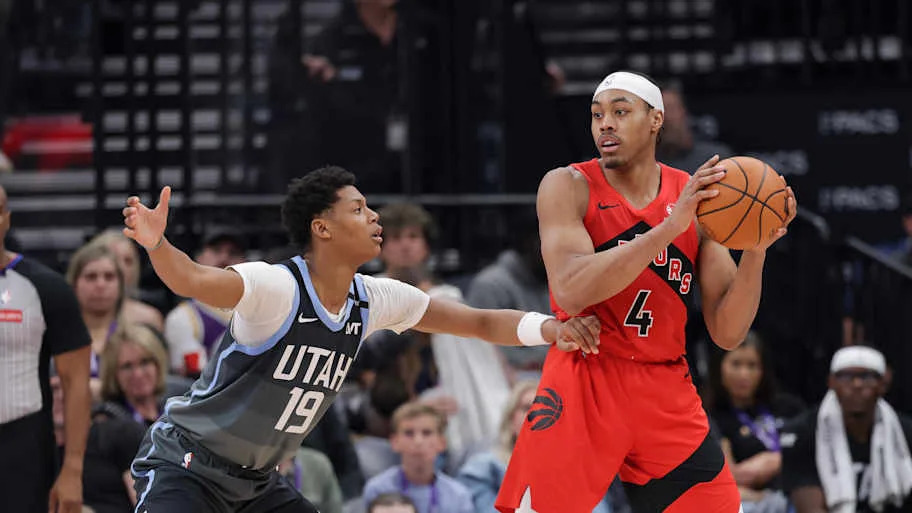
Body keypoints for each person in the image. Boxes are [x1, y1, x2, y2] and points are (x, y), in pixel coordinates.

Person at [121, 166, 601, 513]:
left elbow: (477, 322)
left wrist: (551, 329)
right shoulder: (276, 287)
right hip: (188, 466)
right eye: (359, 208)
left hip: (256, 483)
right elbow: (193, 279)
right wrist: (157, 244)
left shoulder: (374, 298)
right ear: (322, 227)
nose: (375, 217)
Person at [496, 71, 797, 513]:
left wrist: (755, 251)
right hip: (586, 377)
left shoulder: (699, 197)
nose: (606, 125)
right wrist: (669, 229)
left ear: (656, 120)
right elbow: (572, 290)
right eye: (597, 115)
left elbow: (728, 334)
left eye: (621, 112)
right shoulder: (567, 185)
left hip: (663, 383)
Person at [0, 183, 92, 513]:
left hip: (23, 445)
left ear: (5, 219)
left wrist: (73, 469)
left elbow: (77, 383)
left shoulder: (46, 287)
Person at [780, 345, 912, 513]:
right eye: (846, 377)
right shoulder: (803, 430)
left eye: (867, 377)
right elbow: (810, 507)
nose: (857, 385)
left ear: (883, 384)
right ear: (831, 382)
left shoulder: (904, 432)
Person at [704, 331, 804, 511]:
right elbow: (729, 475)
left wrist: (776, 460)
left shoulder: (788, 407)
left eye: (752, 366)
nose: (744, 374)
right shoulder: (712, 417)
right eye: (736, 364)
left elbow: (811, 452)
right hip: (755, 501)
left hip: (800, 492)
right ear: (719, 367)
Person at [363, 402, 474, 513]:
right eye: (409, 433)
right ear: (395, 442)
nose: (418, 441)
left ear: (442, 443)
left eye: (427, 433)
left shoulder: (458, 496)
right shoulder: (378, 490)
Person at [164, 230, 247, 377]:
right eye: (216, 250)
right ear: (199, 258)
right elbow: (196, 376)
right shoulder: (182, 317)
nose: (224, 258)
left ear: (246, 263)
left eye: (233, 253)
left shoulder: (261, 311)